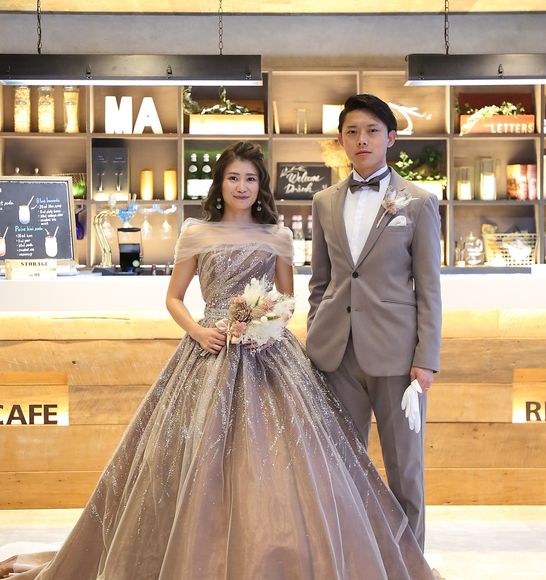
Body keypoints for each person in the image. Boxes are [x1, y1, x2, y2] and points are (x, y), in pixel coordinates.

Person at [0, 141, 434, 580]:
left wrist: (265, 326)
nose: (242, 187)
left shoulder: (278, 235)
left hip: (268, 354)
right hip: (207, 350)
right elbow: (174, 298)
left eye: (250, 179)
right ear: (220, 183)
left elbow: (287, 300)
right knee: (191, 456)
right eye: (233, 178)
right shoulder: (196, 232)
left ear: (261, 186)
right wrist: (198, 330)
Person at [306, 94, 442, 551]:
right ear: (341, 140)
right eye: (352, 132)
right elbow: (320, 281)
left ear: (391, 138)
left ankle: (410, 565)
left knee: (405, 469)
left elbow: (429, 287)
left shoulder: (419, 202)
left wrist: (427, 358)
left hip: (398, 358)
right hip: (334, 355)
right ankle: (351, 562)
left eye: (371, 131)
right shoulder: (324, 201)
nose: (361, 140)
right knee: (341, 468)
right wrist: (316, 334)